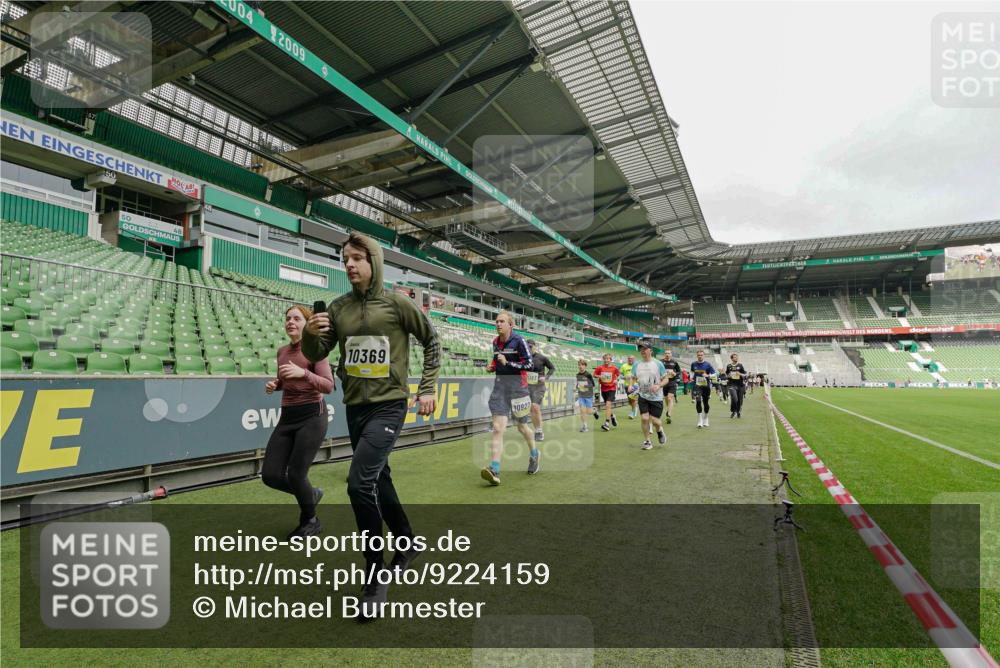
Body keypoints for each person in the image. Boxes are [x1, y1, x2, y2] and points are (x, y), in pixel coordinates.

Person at [302, 232, 440, 620]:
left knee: (358, 482)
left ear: (374, 262)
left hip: (389, 406)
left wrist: (426, 388)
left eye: (357, 258)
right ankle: (407, 542)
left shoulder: (397, 304)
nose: (349, 264)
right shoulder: (338, 307)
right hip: (354, 408)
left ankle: (376, 574)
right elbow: (317, 354)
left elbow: (432, 341)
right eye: (345, 258)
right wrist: (312, 338)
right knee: (379, 479)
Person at [262, 305, 335, 539]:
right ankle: (310, 494)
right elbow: (286, 378)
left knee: (296, 473)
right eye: (287, 318)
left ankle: (310, 520)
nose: (290, 322)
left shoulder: (316, 350)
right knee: (271, 475)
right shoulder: (282, 351)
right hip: (288, 416)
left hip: (312, 416)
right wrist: (277, 385)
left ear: (307, 324)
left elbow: (328, 386)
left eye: (296, 318)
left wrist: (304, 373)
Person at [481, 310, 536, 485]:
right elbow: (496, 359)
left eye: (501, 321)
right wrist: (492, 366)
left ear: (510, 325)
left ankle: (534, 453)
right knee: (498, 428)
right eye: (496, 321)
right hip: (500, 388)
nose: (498, 324)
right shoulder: (495, 342)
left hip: (518, 389)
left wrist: (509, 363)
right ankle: (494, 468)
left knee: (522, 427)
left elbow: (529, 364)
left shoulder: (519, 341)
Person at [631, 341, 668, 450]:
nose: (642, 351)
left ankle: (660, 431)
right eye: (641, 349)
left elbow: (666, 379)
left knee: (656, 421)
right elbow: (633, 377)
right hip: (643, 396)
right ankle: (647, 441)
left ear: (650, 350)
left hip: (656, 397)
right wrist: (631, 385)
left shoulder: (658, 364)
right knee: (644, 418)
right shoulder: (637, 364)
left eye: (644, 349)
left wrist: (659, 385)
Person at [526, 339, 556, 442]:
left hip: (539, 386)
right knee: (531, 409)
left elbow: (552, 368)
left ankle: (539, 431)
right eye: (527, 347)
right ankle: (536, 430)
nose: (529, 349)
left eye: (531, 347)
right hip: (527, 386)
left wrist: (546, 377)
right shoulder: (524, 358)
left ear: (535, 346)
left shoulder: (542, 358)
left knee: (535, 407)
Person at [594, 353, 621, 432]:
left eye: (608, 359)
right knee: (607, 406)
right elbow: (594, 374)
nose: (606, 360)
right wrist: (599, 376)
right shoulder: (600, 368)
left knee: (608, 404)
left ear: (610, 360)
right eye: (605, 359)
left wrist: (617, 380)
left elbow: (618, 375)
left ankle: (606, 423)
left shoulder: (614, 368)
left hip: (612, 388)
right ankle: (612, 416)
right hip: (603, 389)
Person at [690, 349, 717, 428]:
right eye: (698, 355)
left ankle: (705, 418)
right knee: (698, 401)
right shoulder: (693, 364)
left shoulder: (707, 364)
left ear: (703, 355)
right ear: (697, 356)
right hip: (697, 385)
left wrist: (708, 376)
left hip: (706, 386)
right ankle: (700, 420)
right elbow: (692, 371)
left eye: (701, 355)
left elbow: (714, 374)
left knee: (705, 403)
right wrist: (691, 377)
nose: (700, 356)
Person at [661, 350, 682, 423]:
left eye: (669, 353)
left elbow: (679, 371)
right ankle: (668, 410)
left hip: (672, 382)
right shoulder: (660, 362)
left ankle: (669, 415)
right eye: (666, 353)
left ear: (671, 354)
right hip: (664, 382)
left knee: (670, 398)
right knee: (666, 398)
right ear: (664, 354)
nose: (667, 354)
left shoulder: (674, 362)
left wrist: (675, 373)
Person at [575, 358, 596, 432]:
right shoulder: (577, 375)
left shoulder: (588, 375)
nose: (580, 366)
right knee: (582, 411)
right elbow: (578, 384)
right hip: (581, 396)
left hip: (588, 396)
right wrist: (576, 389)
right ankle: (585, 426)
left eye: (582, 365)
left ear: (585, 366)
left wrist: (584, 386)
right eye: (579, 365)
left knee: (589, 412)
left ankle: (594, 411)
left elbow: (593, 385)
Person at [725, 352, 748, 418]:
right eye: (734, 357)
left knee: (740, 399)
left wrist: (740, 374)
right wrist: (728, 376)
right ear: (731, 359)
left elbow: (745, 374)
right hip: (732, 384)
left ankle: (738, 411)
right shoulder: (729, 366)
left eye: (737, 357)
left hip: (740, 385)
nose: (736, 358)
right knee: (735, 398)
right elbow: (727, 374)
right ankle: (733, 411)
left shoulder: (740, 365)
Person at [621, 354, 638, 419]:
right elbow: (620, 375)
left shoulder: (637, 366)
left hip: (635, 385)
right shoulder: (624, 366)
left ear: (634, 359)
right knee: (630, 400)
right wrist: (624, 377)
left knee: (633, 399)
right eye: (629, 358)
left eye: (632, 358)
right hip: (626, 385)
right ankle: (635, 408)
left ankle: (632, 413)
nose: (630, 360)